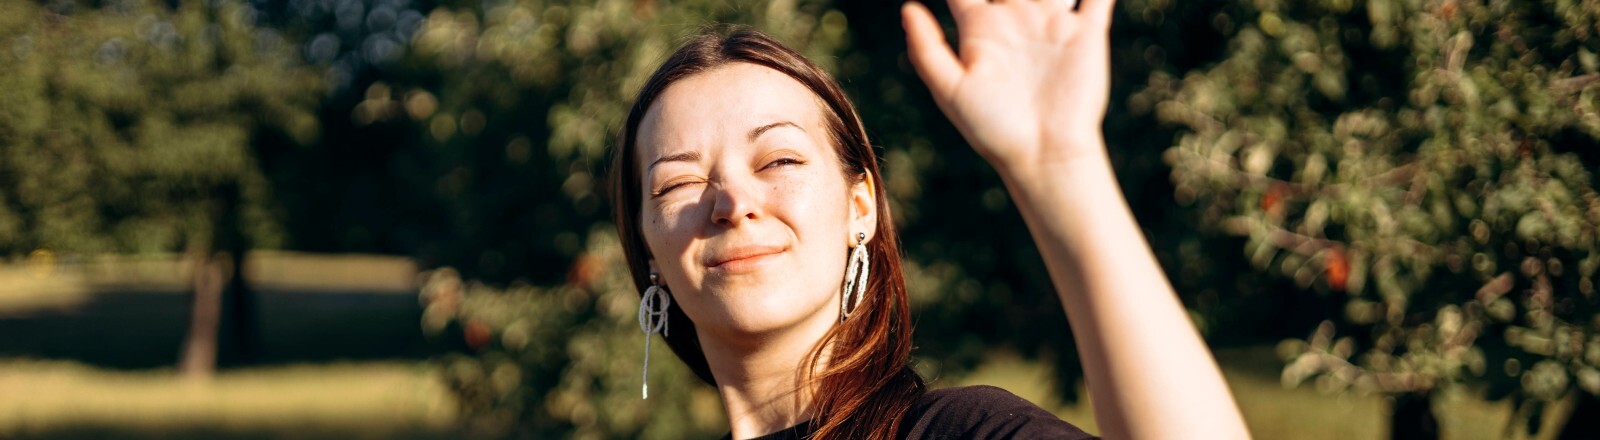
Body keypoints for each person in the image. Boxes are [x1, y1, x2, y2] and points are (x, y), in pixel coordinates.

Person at [608, 0, 1252, 438]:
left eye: (777, 158)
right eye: (680, 182)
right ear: (649, 250)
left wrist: (1061, 164)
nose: (732, 202)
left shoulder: (960, 432)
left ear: (860, 208)